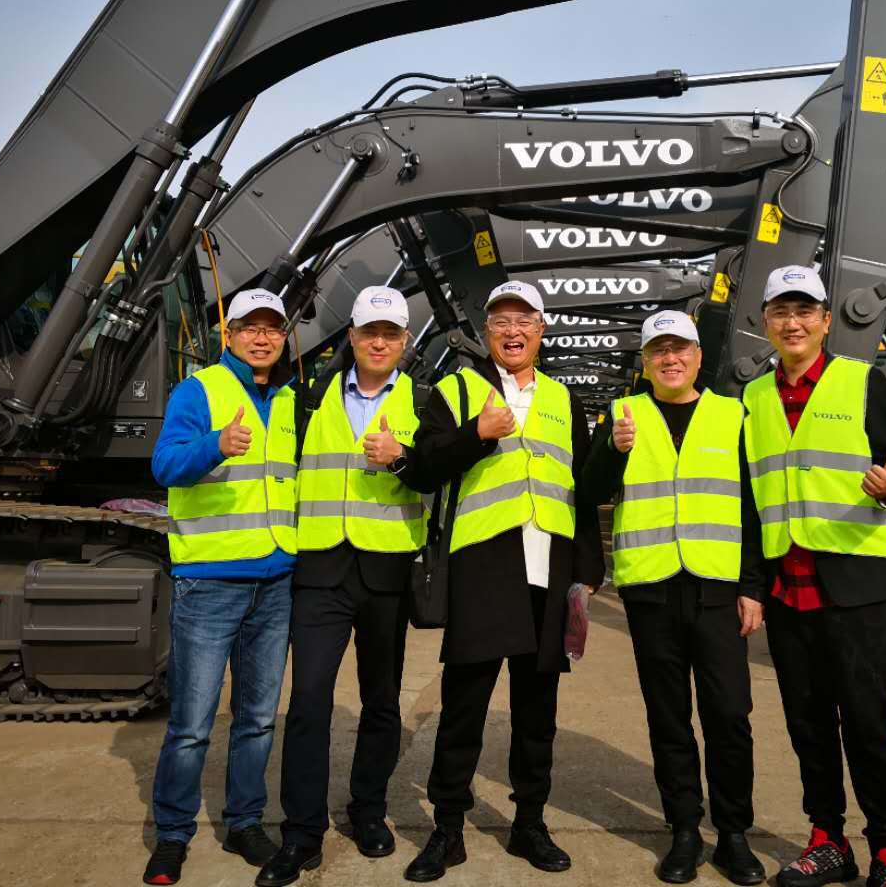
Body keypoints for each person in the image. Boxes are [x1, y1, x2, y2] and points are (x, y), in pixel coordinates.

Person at [403, 280, 604, 882]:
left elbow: (581, 488)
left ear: (542, 330)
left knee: (537, 711)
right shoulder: (456, 390)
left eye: (524, 321)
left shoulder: (564, 399)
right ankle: (447, 828)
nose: (513, 332)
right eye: (501, 322)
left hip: (550, 570)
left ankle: (529, 824)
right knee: (464, 706)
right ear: (485, 330)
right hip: (484, 567)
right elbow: (422, 469)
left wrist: (587, 571)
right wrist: (476, 434)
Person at [741, 266, 886, 887]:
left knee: (868, 724)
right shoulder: (753, 398)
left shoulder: (864, 381)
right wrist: (752, 587)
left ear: (823, 321)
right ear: (766, 322)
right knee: (807, 724)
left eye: (803, 311)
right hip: (789, 593)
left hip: (856, 588)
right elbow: (751, 500)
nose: (792, 323)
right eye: (780, 312)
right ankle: (827, 840)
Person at [581, 310, 766, 886]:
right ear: (645, 361)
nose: (670, 358)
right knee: (669, 717)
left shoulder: (734, 416)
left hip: (717, 588)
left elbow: (753, 506)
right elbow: (589, 490)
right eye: (658, 350)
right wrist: (613, 450)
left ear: (698, 356)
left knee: (729, 715)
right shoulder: (622, 415)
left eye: (680, 348)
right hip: (652, 590)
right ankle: (684, 829)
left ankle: (733, 833)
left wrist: (752, 587)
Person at [258, 287, 433, 887]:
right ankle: (301, 832)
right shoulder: (308, 400)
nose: (379, 342)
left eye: (390, 333)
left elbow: (439, 472)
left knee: (381, 701)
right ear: (352, 337)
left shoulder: (424, 401)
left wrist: (404, 455)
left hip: (387, 571)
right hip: (321, 571)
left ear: (404, 341)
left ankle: (368, 810)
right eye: (369, 332)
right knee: (308, 702)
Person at [145, 288, 298, 886]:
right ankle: (172, 834)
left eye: (272, 328)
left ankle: (244, 823)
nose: (262, 338)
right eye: (249, 328)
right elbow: (164, 465)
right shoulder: (200, 390)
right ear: (228, 335)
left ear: (283, 337)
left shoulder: (288, 400)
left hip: (275, 581)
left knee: (257, 718)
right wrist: (215, 445)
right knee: (191, 724)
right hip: (210, 583)